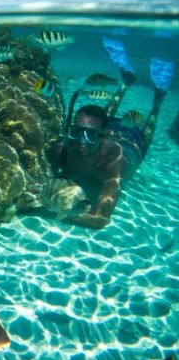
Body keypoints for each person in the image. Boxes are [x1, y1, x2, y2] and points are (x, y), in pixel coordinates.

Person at [45, 45, 172, 229]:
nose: (80, 141)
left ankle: (158, 100)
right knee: (102, 117)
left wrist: (53, 212)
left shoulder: (114, 164)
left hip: (130, 145)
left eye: (90, 136)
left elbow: (99, 220)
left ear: (101, 137)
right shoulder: (62, 149)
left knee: (144, 134)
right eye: (76, 132)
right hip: (105, 133)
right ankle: (126, 82)